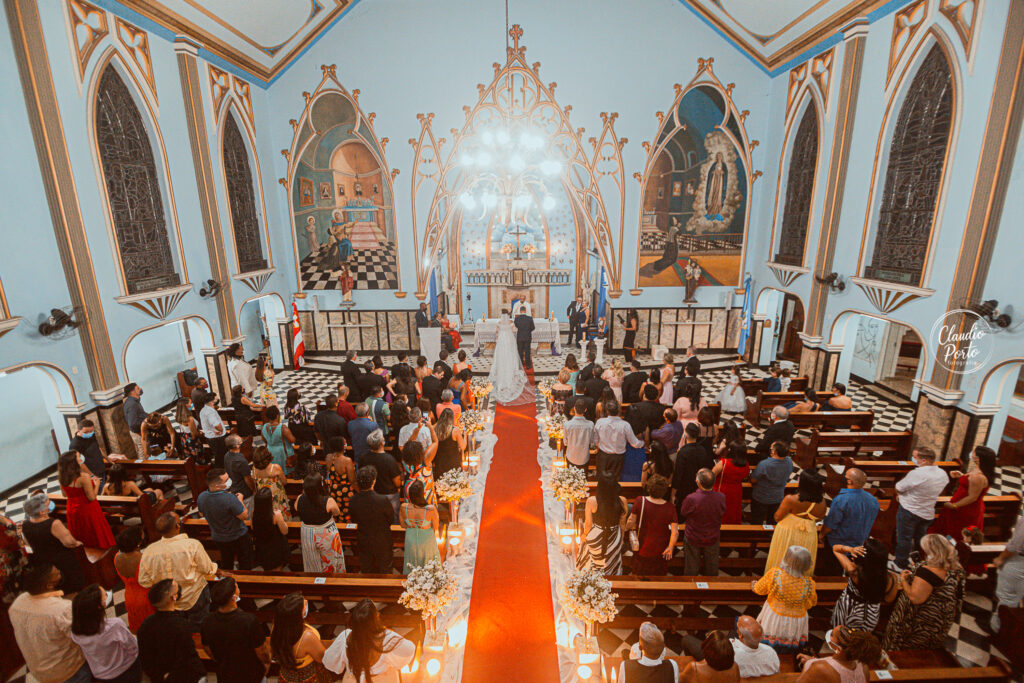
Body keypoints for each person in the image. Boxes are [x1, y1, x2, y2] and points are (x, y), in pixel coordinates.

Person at [882, 534, 966, 650]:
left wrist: (904, 580)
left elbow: (915, 597)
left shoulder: (927, 572)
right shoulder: (955, 567)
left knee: (909, 648)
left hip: (919, 621)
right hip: (940, 618)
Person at [9, 562, 89, 683]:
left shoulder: (17, 604)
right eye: (56, 573)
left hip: (40, 672)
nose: (59, 571)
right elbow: (84, 636)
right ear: (49, 585)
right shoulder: (61, 609)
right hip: (69, 671)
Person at [137, 511, 218, 630]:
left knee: (177, 628)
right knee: (200, 626)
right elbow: (207, 570)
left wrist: (161, 580)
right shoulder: (192, 545)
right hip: (194, 596)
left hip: (170, 601)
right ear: (177, 526)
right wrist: (214, 568)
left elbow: (144, 581)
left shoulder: (149, 551)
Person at [322, 599, 416, 681]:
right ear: (376, 618)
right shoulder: (386, 637)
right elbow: (410, 649)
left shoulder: (345, 637)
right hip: (382, 679)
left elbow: (329, 661)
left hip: (355, 679)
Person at [200, 576, 269, 683]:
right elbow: (261, 651)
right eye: (237, 587)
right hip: (249, 674)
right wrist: (266, 662)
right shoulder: (249, 621)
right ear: (233, 598)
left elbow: (207, 648)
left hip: (224, 673)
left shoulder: (207, 621)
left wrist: (222, 660)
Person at [137, 579, 205, 683]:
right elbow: (187, 659)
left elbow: (145, 659)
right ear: (174, 597)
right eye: (176, 587)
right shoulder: (181, 626)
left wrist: (160, 676)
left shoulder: (145, 624)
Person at [892, 446, 949, 570]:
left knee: (904, 538)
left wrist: (901, 494)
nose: (913, 459)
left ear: (924, 460)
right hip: (927, 511)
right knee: (920, 539)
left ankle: (900, 563)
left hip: (910, 510)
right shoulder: (942, 473)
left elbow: (900, 487)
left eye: (915, 457)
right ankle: (919, 562)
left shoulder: (918, 473)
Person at [70, 584, 140, 683]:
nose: (108, 596)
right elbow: (132, 647)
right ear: (99, 606)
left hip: (101, 676)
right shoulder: (114, 625)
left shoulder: (76, 631)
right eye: (105, 596)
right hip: (125, 670)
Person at [753, 545, 817, 653]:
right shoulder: (810, 584)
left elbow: (760, 590)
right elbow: (811, 603)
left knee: (769, 642)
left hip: (774, 615)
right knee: (789, 646)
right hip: (797, 619)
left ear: (786, 559)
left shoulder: (775, 574)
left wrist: (754, 586)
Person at [21, 491, 86, 594]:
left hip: (43, 562)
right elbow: (69, 542)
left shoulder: (25, 525)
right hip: (62, 562)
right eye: (47, 505)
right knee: (74, 586)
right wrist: (78, 543)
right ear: (41, 512)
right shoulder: (53, 524)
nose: (50, 506)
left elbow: (28, 543)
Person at [765, 471, 827, 574]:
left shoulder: (790, 499)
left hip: (788, 532)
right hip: (809, 534)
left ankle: (776, 581)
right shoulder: (822, 502)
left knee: (782, 555)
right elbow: (819, 518)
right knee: (802, 560)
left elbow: (777, 517)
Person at [819, 468, 879, 575]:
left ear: (850, 481)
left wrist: (822, 534)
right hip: (859, 542)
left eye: (846, 476)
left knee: (832, 569)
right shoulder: (873, 500)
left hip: (838, 543)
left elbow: (831, 524)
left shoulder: (841, 500)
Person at [830, 539, 897, 631]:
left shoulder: (854, 571)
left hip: (850, 610)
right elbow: (889, 599)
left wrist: (850, 549)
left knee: (841, 634)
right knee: (860, 639)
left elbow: (835, 549)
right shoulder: (892, 578)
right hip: (871, 614)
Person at [930, 445, 996, 538]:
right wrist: (962, 476)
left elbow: (972, 497)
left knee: (955, 532)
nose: (971, 453)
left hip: (964, 508)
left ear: (978, 458)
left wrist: (954, 505)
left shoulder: (978, 477)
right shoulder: (980, 471)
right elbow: (972, 485)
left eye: (973, 452)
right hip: (961, 504)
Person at [197, 468, 254, 570]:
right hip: (238, 537)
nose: (229, 481)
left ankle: (228, 582)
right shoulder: (229, 498)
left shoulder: (201, 497)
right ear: (217, 486)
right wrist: (240, 500)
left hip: (219, 538)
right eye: (226, 480)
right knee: (245, 562)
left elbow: (201, 513)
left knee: (227, 562)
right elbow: (244, 516)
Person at [270, 593, 333, 683]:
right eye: (304, 606)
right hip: (306, 676)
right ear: (297, 615)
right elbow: (322, 658)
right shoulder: (307, 637)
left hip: (287, 674)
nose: (307, 606)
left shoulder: (277, 627)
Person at [58, 450, 115, 549]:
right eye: (78, 457)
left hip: (72, 508)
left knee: (81, 534)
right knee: (94, 533)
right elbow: (91, 497)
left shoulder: (62, 477)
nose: (80, 459)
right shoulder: (83, 477)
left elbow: (64, 495)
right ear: (73, 462)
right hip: (87, 509)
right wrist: (97, 484)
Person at [626, 474, 678, 576]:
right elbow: (675, 532)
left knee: (639, 573)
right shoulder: (670, 507)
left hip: (642, 545)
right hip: (661, 549)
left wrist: (625, 529)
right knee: (659, 575)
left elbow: (631, 521)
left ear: (649, 488)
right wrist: (670, 547)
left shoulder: (640, 501)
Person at [576, 474, 628, 575]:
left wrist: (584, 535)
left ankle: (591, 582)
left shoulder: (592, 500)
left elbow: (588, 524)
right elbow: (622, 523)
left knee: (589, 559)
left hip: (596, 534)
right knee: (612, 561)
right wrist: (621, 540)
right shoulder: (622, 500)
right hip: (614, 535)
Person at [679, 468, 727, 576]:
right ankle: (711, 588)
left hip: (693, 535)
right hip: (712, 535)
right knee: (712, 566)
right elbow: (722, 512)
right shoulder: (721, 497)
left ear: (699, 482)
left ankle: (691, 586)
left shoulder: (692, 498)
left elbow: (683, 512)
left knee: (691, 564)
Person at [349, 466, 396, 574]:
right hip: (382, 540)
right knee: (385, 569)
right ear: (373, 482)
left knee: (366, 570)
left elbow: (354, 518)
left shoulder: (353, 500)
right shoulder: (382, 500)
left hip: (364, 540)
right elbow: (391, 519)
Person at [296, 473, 346, 573]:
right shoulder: (327, 501)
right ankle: (333, 582)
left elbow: (296, 508)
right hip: (325, 532)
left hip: (307, 533)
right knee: (331, 560)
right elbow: (337, 512)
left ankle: (314, 585)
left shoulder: (299, 499)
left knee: (311, 561)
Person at [796, 626, 882, 683]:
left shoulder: (819, 668)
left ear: (838, 648)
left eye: (832, 635)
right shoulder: (864, 668)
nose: (829, 635)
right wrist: (813, 661)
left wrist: (808, 665)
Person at [987, 512, 1024, 634]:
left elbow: (1015, 545)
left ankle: (998, 629)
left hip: (1018, 562)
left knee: (1007, 597)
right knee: (1017, 596)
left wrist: (1001, 558)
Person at [113, 527, 154, 632]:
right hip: (147, 597)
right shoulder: (144, 559)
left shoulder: (117, 556)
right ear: (138, 543)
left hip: (129, 595)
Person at [488, 309, 531, 404]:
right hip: (509, 341)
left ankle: (501, 379)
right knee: (510, 358)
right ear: (507, 315)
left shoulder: (499, 323)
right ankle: (510, 376)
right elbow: (515, 331)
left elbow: (497, 333)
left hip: (501, 342)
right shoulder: (511, 322)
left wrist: (498, 340)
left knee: (501, 359)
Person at [594, 400, 644, 481]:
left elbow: (595, 440)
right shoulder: (625, 425)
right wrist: (642, 443)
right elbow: (634, 443)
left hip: (603, 455)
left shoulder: (600, 422)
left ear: (607, 411)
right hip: (618, 458)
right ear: (619, 411)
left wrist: (598, 445)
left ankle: (601, 493)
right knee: (614, 480)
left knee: (601, 479)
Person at [400, 480, 441, 573]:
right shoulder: (430, 509)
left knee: (411, 562)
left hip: (411, 540)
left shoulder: (403, 507)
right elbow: (435, 526)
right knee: (429, 565)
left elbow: (402, 525)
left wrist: (412, 524)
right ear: (423, 493)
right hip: (426, 540)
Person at [750, 441, 794, 525]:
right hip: (777, 497)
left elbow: (753, 480)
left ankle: (755, 535)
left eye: (771, 448)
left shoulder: (765, 464)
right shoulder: (789, 462)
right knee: (772, 521)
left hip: (761, 497)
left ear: (773, 452)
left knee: (757, 520)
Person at [363, 430, 403, 518]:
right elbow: (398, 483)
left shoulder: (364, 458)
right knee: (393, 518)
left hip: (372, 494)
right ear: (382, 443)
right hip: (389, 495)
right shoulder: (389, 459)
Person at [672, 423, 714, 508]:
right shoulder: (702, 450)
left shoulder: (683, 452)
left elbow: (678, 474)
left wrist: (673, 493)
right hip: (698, 485)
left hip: (684, 487)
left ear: (686, 434)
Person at [252, 487, 292, 571]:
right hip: (275, 547)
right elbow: (285, 531)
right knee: (276, 571)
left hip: (262, 547)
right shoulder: (276, 515)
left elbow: (253, 528)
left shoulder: (254, 513)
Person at [712, 442, 749, 525]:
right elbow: (745, 475)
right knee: (733, 510)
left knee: (721, 509)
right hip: (736, 490)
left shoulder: (724, 463)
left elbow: (712, 475)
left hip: (721, 489)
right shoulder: (745, 464)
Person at [68, 419, 111, 490]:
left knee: (103, 489)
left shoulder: (92, 435)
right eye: (86, 432)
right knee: (98, 493)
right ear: (79, 430)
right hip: (91, 474)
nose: (89, 433)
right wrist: (92, 476)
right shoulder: (75, 444)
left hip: (100, 468)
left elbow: (98, 448)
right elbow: (79, 463)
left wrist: (108, 459)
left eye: (91, 431)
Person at [324, 436, 356, 522]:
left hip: (333, 490)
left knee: (336, 512)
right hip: (345, 492)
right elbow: (352, 480)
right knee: (346, 514)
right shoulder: (347, 460)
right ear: (342, 446)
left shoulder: (328, 457)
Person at [252, 445, 290, 517]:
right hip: (277, 497)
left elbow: (254, 483)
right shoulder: (275, 467)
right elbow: (284, 482)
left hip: (263, 497)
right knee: (281, 514)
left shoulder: (254, 469)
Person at [400, 440, 437, 506]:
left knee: (411, 511)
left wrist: (415, 432)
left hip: (409, 490)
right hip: (425, 490)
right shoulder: (426, 462)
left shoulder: (404, 462)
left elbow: (407, 449)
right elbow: (435, 441)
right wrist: (431, 429)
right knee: (428, 511)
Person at [223, 434, 255, 510]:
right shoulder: (241, 460)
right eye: (241, 442)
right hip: (244, 491)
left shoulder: (227, 455)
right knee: (248, 513)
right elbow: (247, 479)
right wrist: (254, 489)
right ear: (237, 446)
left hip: (234, 487)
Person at [433, 408, 465, 481]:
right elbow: (463, 447)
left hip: (439, 463)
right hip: (453, 463)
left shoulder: (435, 429)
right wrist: (465, 435)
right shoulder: (455, 430)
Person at [199, 392, 227, 467]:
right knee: (220, 456)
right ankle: (221, 471)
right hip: (217, 438)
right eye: (216, 398)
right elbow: (216, 424)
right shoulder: (210, 412)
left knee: (218, 455)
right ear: (212, 401)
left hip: (210, 436)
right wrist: (221, 430)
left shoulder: (204, 409)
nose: (217, 399)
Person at [123, 383, 147, 458]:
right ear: (133, 392)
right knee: (142, 452)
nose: (140, 389)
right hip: (138, 432)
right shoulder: (132, 404)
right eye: (138, 388)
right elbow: (133, 424)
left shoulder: (135, 401)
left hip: (140, 430)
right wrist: (146, 422)